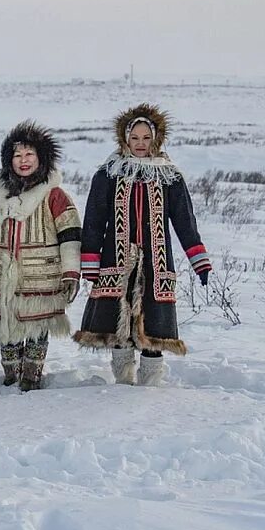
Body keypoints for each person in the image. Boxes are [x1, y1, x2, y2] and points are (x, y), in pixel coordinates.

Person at [74, 104, 212, 386]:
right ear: (124, 139)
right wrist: (90, 261)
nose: (140, 144)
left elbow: (185, 221)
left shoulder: (169, 176)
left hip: (156, 262)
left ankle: (150, 381)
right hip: (116, 259)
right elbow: (93, 220)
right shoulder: (108, 175)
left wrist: (199, 259)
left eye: (146, 138)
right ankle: (123, 378)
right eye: (134, 138)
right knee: (117, 322)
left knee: (155, 324)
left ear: (156, 139)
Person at [0, 122, 82, 391]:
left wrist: (71, 273)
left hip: (41, 278)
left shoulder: (54, 195)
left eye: (29, 154)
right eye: (17, 155)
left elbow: (70, 236)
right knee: (6, 327)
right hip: (0, 276)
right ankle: (11, 375)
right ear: (9, 160)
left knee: (36, 329)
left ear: (41, 158)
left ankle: (32, 376)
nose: (23, 161)